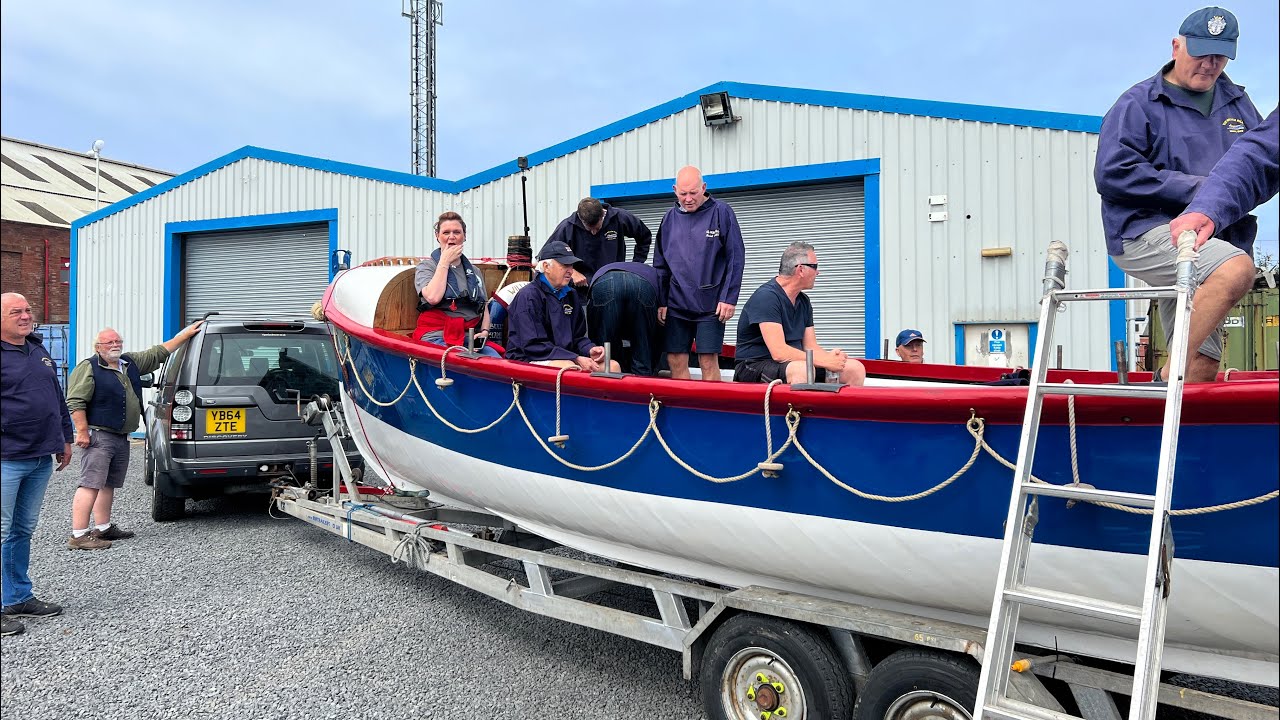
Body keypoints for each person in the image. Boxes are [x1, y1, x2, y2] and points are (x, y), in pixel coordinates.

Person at [1094, 6, 1263, 383]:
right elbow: (1112, 173)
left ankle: (1167, 426)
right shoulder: (1137, 105)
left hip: (1211, 238)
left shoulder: (1238, 104)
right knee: (1234, 270)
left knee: (1201, 367)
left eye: (1219, 56)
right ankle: (1164, 380)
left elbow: (1263, 164)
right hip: (1146, 231)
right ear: (1176, 46)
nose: (1209, 64)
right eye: (1201, 52)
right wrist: (1200, 188)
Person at [65, 321, 203, 550]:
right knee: (90, 483)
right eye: (109, 342)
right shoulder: (89, 367)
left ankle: (103, 527)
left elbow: (158, 352)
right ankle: (79, 535)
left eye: (118, 340)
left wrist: (186, 334)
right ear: (97, 346)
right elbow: (76, 401)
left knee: (108, 483)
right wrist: (82, 431)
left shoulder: (128, 363)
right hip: (99, 435)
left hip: (120, 435)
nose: (114, 344)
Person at [1, 293, 73, 637]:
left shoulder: (38, 349)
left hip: (39, 457)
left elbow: (56, 396)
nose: (25, 316)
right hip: (6, 458)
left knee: (21, 531)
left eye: (28, 310)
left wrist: (65, 437)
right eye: (16, 312)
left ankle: (17, 597)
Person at [653, 166, 745, 381]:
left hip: (711, 305)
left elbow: (736, 257)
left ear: (704, 188)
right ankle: (682, 409)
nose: (688, 198)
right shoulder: (668, 219)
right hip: (676, 303)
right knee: (675, 358)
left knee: (707, 359)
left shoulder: (722, 213)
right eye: (683, 193)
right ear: (675, 190)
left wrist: (728, 298)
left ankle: (712, 410)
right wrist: (661, 300)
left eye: (693, 193)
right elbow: (660, 265)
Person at [733, 243, 866, 386]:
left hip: (791, 365)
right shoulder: (766, 297)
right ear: (801, 269)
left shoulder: (803, 301)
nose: (818, 272)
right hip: (753, 366)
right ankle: (795, 409)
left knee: (854, 368)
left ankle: (830, 409)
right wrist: (825, 361)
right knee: (803, 369)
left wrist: (832, 358)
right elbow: (779, 352)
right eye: (814, 267)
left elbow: (811, 347)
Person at [1171, 106, 1279, 247]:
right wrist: (1207, 208)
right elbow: (1260, 156)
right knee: (1235, 266)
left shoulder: (1238, 101)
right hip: (1158, 224)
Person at [506, 240, 620, 373]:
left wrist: (590, 349)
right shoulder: (528, 296)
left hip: (566, 358)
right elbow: (533, 345)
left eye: (571, 265)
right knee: (568, 368)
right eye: (565, 265)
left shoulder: (571, 294)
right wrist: (575, 358)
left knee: (612, 366)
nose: (571, 271)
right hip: (527, 359)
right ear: (546, 266)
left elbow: (577, 337)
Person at [413, 211, 502, 358]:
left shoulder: (474, 272)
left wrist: (484, 332)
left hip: (469, 337)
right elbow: (433, 298)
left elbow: (483, 306)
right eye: (446, 232)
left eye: (457, 232)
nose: (451, 237)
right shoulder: (426, 267)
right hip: (436, 335)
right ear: (437, 236)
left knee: (496, 360)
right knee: (460, 360)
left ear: (464, 236)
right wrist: (445, 261)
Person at [545, 197, 653, 293]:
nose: (594, 232)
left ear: (602, 215)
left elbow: (644, 237)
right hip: (582, 292)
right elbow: (546, 256)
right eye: (589, 229)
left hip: (615, 287)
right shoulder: (567, 227)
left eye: (596, 228)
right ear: (580, 219)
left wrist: (634, 266)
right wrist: (571, 272)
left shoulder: (619, 218)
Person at [588, 262, 662, 376]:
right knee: (643, 348)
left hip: (605, 280)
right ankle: (643, 385)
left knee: (603, 351)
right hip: (644, 284)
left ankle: (607, 387)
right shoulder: (657, 273)